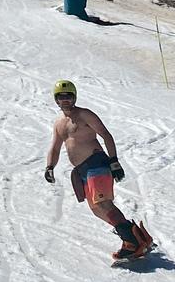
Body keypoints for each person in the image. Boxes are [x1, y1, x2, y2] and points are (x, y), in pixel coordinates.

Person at [44, 81, 155, 261]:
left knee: (104, 204)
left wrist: (114, 161)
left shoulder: (85, 114)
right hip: (81, 171)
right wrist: (50, 166)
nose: (65, 100)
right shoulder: (59, 123)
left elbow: (106, 135)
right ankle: (139, 237)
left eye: (68, 96)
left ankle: (132, 243)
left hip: (97, 164)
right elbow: (55, 148)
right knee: (97, 209)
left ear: (74, 97)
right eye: (61, 97)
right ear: (56, 100)